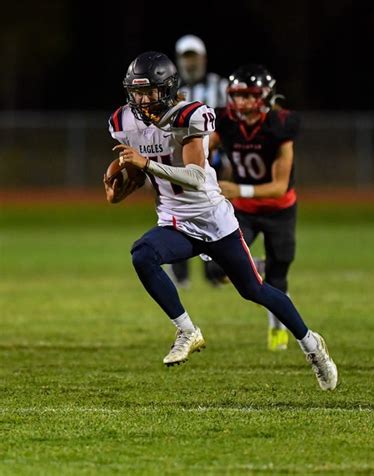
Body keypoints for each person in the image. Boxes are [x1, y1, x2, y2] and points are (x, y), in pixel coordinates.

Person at [104, 50, 338, 392]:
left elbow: (197, 177)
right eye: (136, 92)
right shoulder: (123, 122)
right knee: (142, 254)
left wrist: (145, 165)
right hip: (175, 222)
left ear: (167, 89)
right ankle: (186, 330)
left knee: (254, 290)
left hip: (214, 220)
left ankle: (312, 346)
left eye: (149, 91)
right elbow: (139, 175)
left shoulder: (190, 115)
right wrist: (119, 187)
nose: (141, 100)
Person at [209, 64, 299, 352]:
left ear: (265, 96)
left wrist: (237, 189)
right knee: (216, 267)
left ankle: (277, 329)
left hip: (278, 209)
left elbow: (279, 186)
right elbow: (201, 150)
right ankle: (254, 264)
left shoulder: (280, 125)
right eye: (237, 95)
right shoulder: (226, 122)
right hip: (244, 210)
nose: (242, 102)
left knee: (277, 278)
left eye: (249, 95)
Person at [170, 34, 229, 287]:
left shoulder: (221, 86)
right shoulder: (171, 89)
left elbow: (231, 124)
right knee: (176, 214)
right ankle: (180, 271)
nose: (190, 63)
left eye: (193, 57)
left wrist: (228, 158)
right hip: (178, 162)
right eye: (186, 57)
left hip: (214, 161)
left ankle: (214, 270)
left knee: (213, 214)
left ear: (203, 58)